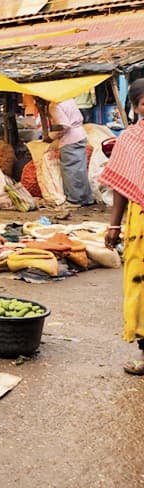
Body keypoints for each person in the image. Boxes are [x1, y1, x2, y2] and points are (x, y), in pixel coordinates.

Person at [99, 78, 144, 375]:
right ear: (136, 106)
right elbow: (120, 185)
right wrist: (113, 226)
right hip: (141, 221)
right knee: (140, 285)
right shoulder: (129, 139)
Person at [45, 98, 95, 206]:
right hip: (80, 135)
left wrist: (52, 136)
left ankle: (74, 199)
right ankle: (86, 198)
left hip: (70, 138)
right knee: (80, 169)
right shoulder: (69, 99)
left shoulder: (54, 105)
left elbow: (64, 126)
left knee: (70, 170)